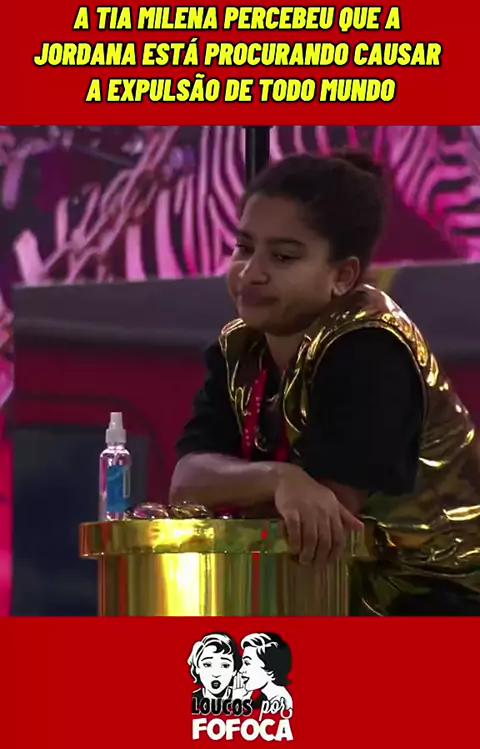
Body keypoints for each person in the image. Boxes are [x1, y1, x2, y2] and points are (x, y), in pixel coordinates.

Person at [170, 151, 480, 616]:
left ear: (342, 276)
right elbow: (186, 482)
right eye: (244, 247)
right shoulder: (239, 347)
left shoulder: (372, 350)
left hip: (436, 607)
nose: (251, 272)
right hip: (334, 597)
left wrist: (252, 486)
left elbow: (324, 518)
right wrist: (279, 478)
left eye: (283, 256)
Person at [238, 633, 292, 710]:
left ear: (270, 666)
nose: (241, 670)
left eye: (247, 663)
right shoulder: (263, 699)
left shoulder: (281, 703)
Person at [188, 632, 241, 702]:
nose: (216, 674)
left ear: (234, 670)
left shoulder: (243, 697)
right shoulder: (189, 699)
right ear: (197, 667)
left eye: (225, 665)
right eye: (207, 665)